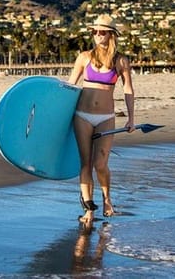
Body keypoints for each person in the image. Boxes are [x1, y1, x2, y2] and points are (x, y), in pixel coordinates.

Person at [68, 14, 135, 225]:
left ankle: (107, 199)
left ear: (111, 35)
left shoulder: (121, 61)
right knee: (85, 164)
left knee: (100, 164)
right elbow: (69, 87)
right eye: (95, 31)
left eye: (102, 32)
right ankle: (88, 209)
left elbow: (128, 89)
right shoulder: (84, 57)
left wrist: (131, 118)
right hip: (82, 116)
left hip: (106, 117)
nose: (98, 35)